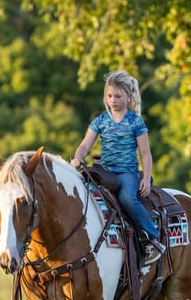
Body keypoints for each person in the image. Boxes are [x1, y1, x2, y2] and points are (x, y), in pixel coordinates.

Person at [71, 70, 166, 264]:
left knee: (127, 198)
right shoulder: (101, 121)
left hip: (126, 172)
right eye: (109, 96)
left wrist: (146, 178)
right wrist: (78, 157)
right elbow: (84, 145)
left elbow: (146, 155)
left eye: (118, 96)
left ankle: (152, 238)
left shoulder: (135, 122)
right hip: (105, 171)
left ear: (129, 97)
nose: (113, 100)